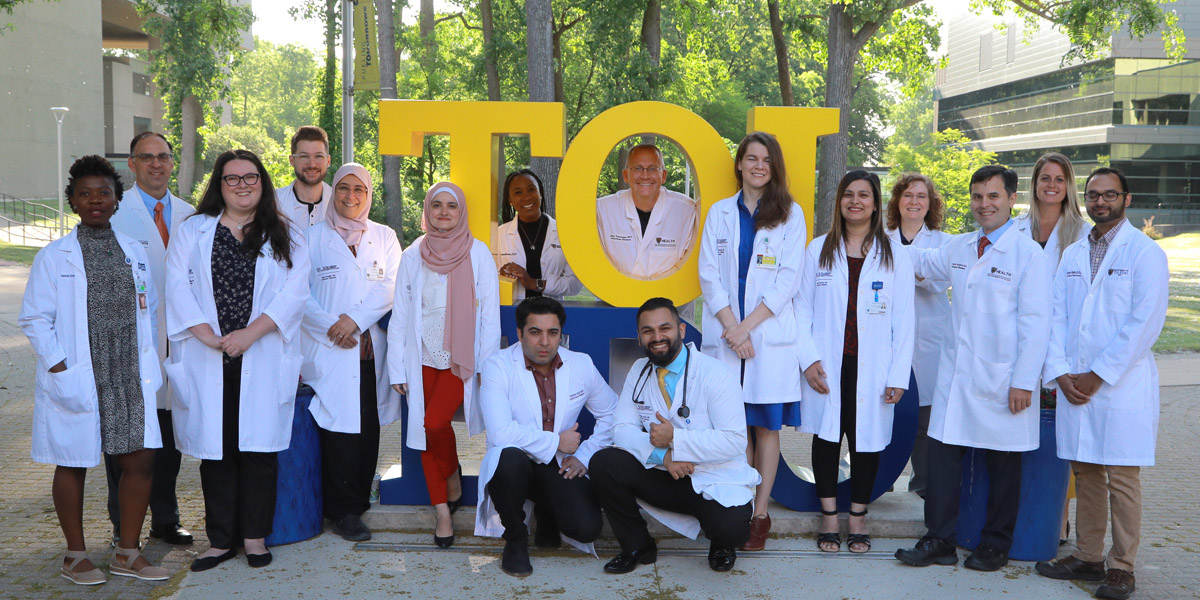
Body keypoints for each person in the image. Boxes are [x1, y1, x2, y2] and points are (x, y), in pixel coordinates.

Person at [19, 155, 170, 584]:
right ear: (72, 200)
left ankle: (127, 552)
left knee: (139, 461)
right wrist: (61, 367)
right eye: (85, 193)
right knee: (73, 461)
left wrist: (149, 364)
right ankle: (75, 555)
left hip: (128, 372)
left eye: (104, 192)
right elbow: (33, 318)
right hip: (80, 372)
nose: (95, 200)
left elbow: (150, 309)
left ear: (118, 199)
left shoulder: (134, 253)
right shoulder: (54, 256)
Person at [895, 165, 1052, 572]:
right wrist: (861, 238)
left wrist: (1022, 382)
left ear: (1011, 199)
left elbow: (1036, 324)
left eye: (993, 197)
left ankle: (995, 544)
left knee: (1003, 464)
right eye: (978, 197)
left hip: (1004, 380)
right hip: (958, 378)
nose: (984, 205)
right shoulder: (962, 247)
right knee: (942, 459)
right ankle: (939, 540)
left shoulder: (1028, 255)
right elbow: (918, 260)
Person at [165, 149, 310, 571]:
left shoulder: (285, 233)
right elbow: (176, 286)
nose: (243, 185)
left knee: (259, 452)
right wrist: (208, 335)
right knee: (218, 452)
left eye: (251, 177)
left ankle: (255, 539)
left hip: (260, 352)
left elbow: (295, 294)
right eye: (233, 179)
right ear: (220, 185)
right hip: (209, 354)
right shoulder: (193, 231)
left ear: (263, 183)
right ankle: (220, 541)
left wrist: (250, 334)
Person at [1035, 168, 1169, 600]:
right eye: (1093, 195)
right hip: (1073, 384)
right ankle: (1089, 557)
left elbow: (1144, 323)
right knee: (1086, 471)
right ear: (1085, 199)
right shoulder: (1073, 254)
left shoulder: (1144, 253)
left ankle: (1122, 567)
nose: (1101, 202)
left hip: (1120, 385)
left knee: (1122, 479)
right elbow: (1054, 318)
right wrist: (1058, 371)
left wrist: (1098, 374)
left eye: (1110, 195)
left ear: (1126, 199)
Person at [589, 298, 761, 574]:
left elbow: (735, 440)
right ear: (640, 336)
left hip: (713, 477)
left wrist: (676, 441)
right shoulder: (639, 370)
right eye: (648, 331)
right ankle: (637, 545)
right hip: (665, 473)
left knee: (732, 530)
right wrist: (665, 456)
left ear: (681, 330)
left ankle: (721, 544)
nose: (657, 337)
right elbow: (621, 430)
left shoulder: (715, 374)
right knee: (604, 463)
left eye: (664, 328)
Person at [697, 132, 806, 551]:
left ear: (774, 167)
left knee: (764, 428)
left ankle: (760, 514)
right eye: (751, 158)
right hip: (729, 337)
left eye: (766, 160)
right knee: (731, 428)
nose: (759, 166)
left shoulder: (789, 215)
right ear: (739, 164)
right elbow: (709, 274)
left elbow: (787, 280)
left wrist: (746, 328)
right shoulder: (719, 213)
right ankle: (737, 507)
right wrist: (731, 327)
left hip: (765, 336)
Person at [797, 171, 915, 553]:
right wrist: (808, 359)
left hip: (875, 367)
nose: (855, 201)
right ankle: (830, 519)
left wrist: (898, 374)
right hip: (829, 364)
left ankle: (859, 518)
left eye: (864, 195)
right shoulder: (818, 249)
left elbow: (905, 320)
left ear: (876, 203)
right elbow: (800, 309)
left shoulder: (895, 254)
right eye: (848, 194)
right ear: (839, 202)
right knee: (827, 437)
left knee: (867, 442)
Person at [387, 182, 501, 548]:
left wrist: (486, 363)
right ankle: (442, 512)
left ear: (461, 211)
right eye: (436, 205)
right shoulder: (412, 255)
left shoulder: (478, 253)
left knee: (434, 423)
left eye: (452, 206)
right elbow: (401, 315)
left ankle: (451, 474)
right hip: (419, 355)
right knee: (422, 432)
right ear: (427, 210)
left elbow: (490, 315)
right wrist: (397, 369)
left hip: (459, 356)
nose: (444, 212)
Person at [475, 297, 617, 577]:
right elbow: (500, 432)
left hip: (557, 464)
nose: (544, 342)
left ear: (560, 333)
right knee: (509, 457)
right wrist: (556, 441)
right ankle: (515, 538)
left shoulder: (581, 364)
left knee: (587, 528)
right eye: (535, 332)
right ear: (519, 333)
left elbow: (613, 412)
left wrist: (585, 455)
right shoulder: (497, 366)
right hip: (515, 464)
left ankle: (547, 511)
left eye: (552, 333)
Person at [103, 131, 196, 547]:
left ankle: (166, 517)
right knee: (124, 438)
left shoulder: (193, 216)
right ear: (132, 164)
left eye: (163, 157)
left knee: (169, 439)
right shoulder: (112, 214)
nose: (156, 164)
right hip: (127, 346)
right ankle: (123, 525)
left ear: (172, 163)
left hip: (177, 343)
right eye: (147, 157)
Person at [301, 163, 402, 542]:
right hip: (328, 348)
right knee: (336, 430)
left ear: (369, 194)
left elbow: (392, 285)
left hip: (368, 348)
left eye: (359, 189)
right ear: (333, 192)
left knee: (366, 427)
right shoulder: (310, 237)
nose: (351, 196)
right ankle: (341, 510)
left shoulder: (385, 236)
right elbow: (298, 292)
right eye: (343, 188)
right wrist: (335, 326)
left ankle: (357, 502)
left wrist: (354, 321)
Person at [883, 173, 952, 499]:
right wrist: (919, 270)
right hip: (887, 340)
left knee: (924, 422)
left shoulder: (944, 242)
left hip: (928, 343)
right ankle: (880, 481)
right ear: (897, 201)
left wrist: (905, 269)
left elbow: (939, 281)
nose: (914, 201)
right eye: (908, 195)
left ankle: (922, 485)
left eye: (921, 196)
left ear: (931, 204)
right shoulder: (881, 237)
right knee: (884, 414)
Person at [596, 143, 697, 279]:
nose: (645, 175)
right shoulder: (603, 209)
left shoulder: (687, 211)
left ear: (664, 175)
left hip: (671, 297)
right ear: (626, 175)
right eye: (637, 168)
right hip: (614, 296)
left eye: (653, 169)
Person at [495, 169, 582, 301]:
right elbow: (486, 280)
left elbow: (574, 285)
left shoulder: (564, 233)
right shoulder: (498, 235)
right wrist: (500, 277)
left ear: (540, 193)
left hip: (552, 314)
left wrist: (534, 283)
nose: (527, 197)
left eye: (531, 189)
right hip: (511, 314)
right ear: (510, 200)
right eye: (518, 192)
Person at [1013, 152, 1091, 263]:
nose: (1051, 185)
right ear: (1035, 183)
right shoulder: (1014, 227)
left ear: (1068, 186)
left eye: (1059, 179)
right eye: (1045, 178)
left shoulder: (1083, 232)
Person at [276, 126, 334, 229]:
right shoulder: (273, 203)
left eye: (318, 156)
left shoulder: (337, 202)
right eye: (304, 156)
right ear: (292, 160)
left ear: (328, 161)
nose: (312, 164)